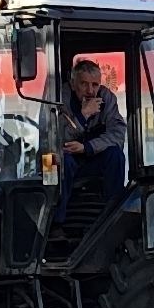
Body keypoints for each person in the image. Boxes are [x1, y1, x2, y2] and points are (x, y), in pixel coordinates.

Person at [58, 57, 127, 219]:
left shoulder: (107, 99)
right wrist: (83, 116)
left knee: (115, 154)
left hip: (92, 159)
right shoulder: (60, 99)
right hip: (68, 162)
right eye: (84, 84)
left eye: (94, 85)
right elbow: (57, 138)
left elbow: (117, 135)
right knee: (62, 162)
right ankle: (57, 222)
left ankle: (113, 216)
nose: (90, 90)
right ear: (73, 84)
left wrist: (87, 147)